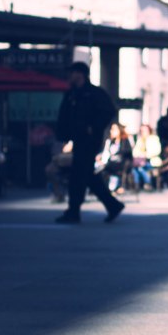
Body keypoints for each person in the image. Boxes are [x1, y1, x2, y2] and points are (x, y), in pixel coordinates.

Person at [54, 62, 124, 224]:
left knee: (78, 175)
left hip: (90, 141)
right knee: (85, 175)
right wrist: (63, 135)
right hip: (77, 139)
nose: (70, 76)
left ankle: (74, 211)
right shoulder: (72, 94)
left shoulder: (93, 93)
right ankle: (112, 205)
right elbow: (64, 116)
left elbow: (109, 111)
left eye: (72, 73)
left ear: (80, 74)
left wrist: (94, 127)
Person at [97, 123, 133, 193]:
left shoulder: (125, 140)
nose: (111, 131)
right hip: (110, 163)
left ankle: (114, 188)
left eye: (114, 129)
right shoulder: (110, 141)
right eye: (111, 129)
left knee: (104, 168)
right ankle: (109, 188)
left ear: (119, 130)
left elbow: (127, 153)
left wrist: (116, 155)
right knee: (100, 168)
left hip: (122, 164)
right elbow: (106, 153)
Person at [132, 124, 162, 190]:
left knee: (140, 168)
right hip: (141, 161)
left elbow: (157, 151)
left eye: (145, 130)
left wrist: (146, 155)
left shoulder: (154, 138)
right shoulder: (140, 140)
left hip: (151, 161)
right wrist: (140, 154)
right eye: (142, 131)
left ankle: (148, 183)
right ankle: (137, 185)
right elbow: (135, 152)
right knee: (134, 169)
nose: (143, 132)